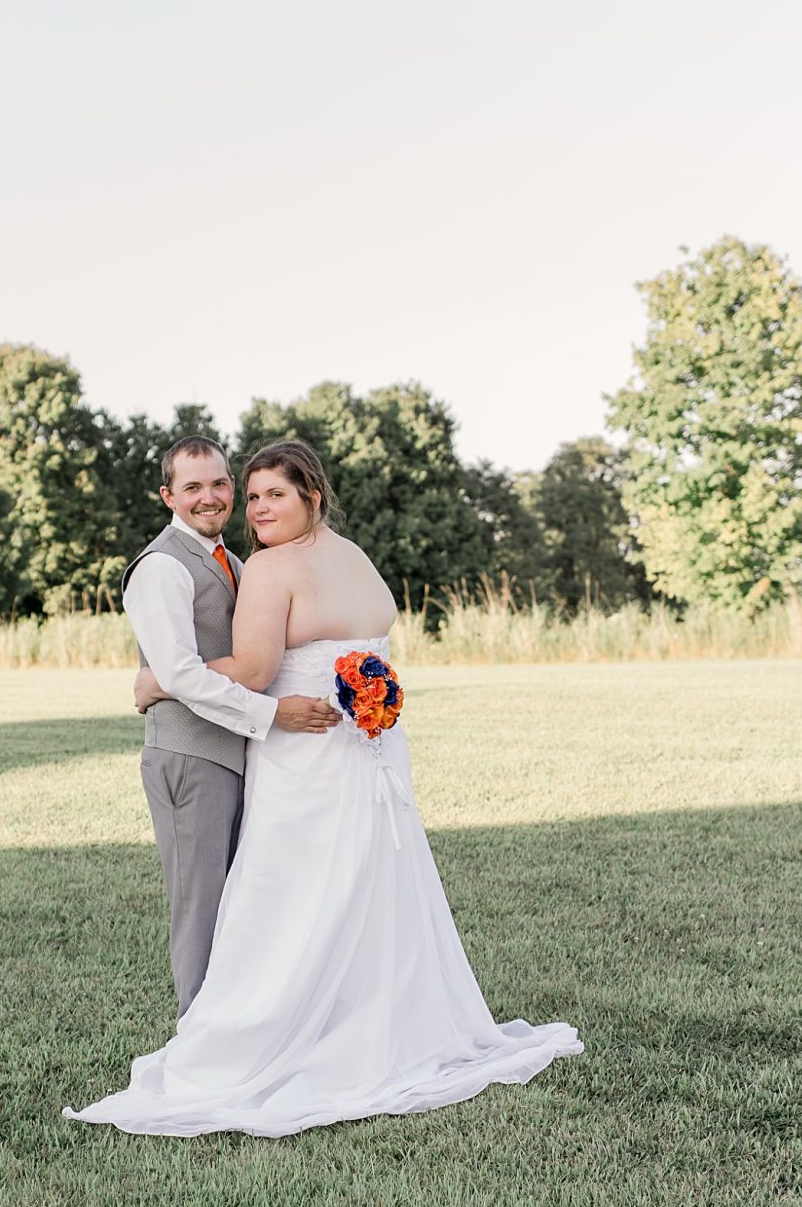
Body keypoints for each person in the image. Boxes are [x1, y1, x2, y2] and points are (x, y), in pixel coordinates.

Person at [64, 439, 583, 1138]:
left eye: (266, 493)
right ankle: (344, 1021)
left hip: (304, 750)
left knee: (286, 894)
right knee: (352, 888)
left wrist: (161, 676)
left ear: (312, 493)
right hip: (359, 753)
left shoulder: (268, 565)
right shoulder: (352, 560)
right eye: (248, 496)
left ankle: (237, 1043)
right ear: (170, 496)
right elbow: (357, 653)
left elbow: (250, 668)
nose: (249, 507)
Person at [119, 434, 341, 1018]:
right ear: (168, 495)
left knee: (242, 904)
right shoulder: (161, 567)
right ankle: (197, 1047)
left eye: (220, 483)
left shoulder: (237, 564)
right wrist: (275, 714)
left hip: (242, 757)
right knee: (201, 908)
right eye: (192, 487)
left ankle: (236, 1030)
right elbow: (180, 674)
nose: (210, 497)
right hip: (191, 758)